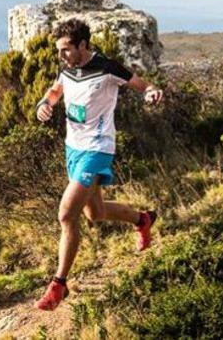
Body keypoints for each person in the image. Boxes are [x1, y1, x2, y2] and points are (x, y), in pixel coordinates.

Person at [34, 19, 164, 312]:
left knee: (67, 214)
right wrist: (45, 104)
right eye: (59, 50)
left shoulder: (108, 68)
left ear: (82, 45)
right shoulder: (67, 68)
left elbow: (142, 85)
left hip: (98, 149)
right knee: (96, 213)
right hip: (74, 149)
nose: (62, 55)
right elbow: (55, 91)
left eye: (66, 49)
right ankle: (142, 219)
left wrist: (151, 92)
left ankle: (59, 284)